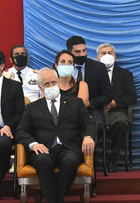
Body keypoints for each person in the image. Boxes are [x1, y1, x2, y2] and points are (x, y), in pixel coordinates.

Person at [16, 68, 96, 203]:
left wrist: (88, 136)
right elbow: (21, 131)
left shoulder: (75, 103)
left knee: (70, 161)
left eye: (54, 82)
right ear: (40, 87)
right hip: (44, 149)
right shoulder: (32, 108)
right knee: (43, 161)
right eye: (47, 84)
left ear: (58, 82)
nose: (51, 86)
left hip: (69, 149)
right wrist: (33, 144)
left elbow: (90, 124)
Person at [96, 43, 137, 172]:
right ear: (97, 57)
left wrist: (116, 103)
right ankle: (90, 163)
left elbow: (132, 96)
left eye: (110, 53)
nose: (107, 55)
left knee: (121, 124)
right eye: (103, 53)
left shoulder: (126, 74)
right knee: (89, 125)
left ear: (115, 56)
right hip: (97, 112)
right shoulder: (91, 74)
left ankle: (113, 160)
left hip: (117, 112)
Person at [0, 50, 25, 199]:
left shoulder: (14, 86)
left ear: (2, 66)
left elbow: (20, 112)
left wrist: (9, 126)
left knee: (4, 144)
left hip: (3, 129)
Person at [66, 36, 112, 124]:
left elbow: (107, 96)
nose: (82, 54)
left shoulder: (98, 68)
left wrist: (89, 103)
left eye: (84, 50)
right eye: (77, 52)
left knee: (94, 126)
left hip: (92, 109)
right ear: (69, 52)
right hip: (67, 110)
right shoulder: (62, 68)